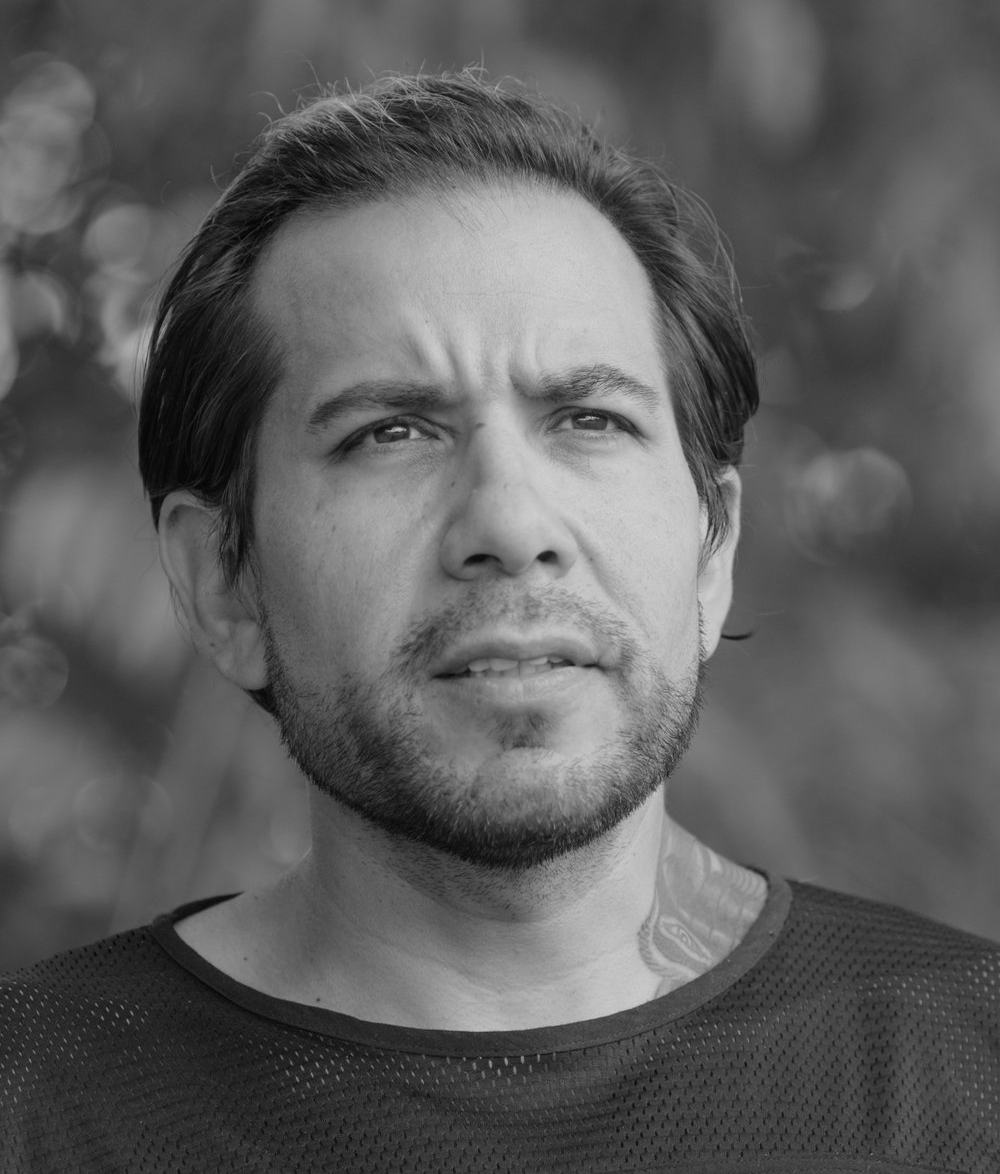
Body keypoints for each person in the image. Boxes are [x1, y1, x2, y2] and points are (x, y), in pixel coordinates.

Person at [1, 70, 997, 1173]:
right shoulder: (32, 1104)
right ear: (221, 578)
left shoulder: (973, 1073)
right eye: (390, 433)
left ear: (711, 548)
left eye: (589, 418)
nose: (512, 525)